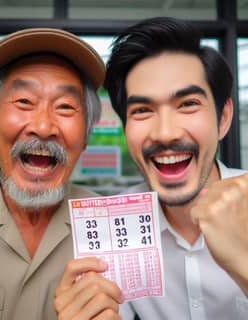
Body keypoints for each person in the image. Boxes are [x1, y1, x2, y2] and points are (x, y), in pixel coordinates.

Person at [54, 17, 248, 320]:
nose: (165, 133)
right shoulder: (111, 230)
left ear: (223, 118)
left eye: (188, 104)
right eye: (142, 110)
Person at [0, 27, 111, 319]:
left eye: (65, 107)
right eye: (24, 102)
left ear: (86, 137)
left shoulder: (107, 225)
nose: (43, 126)